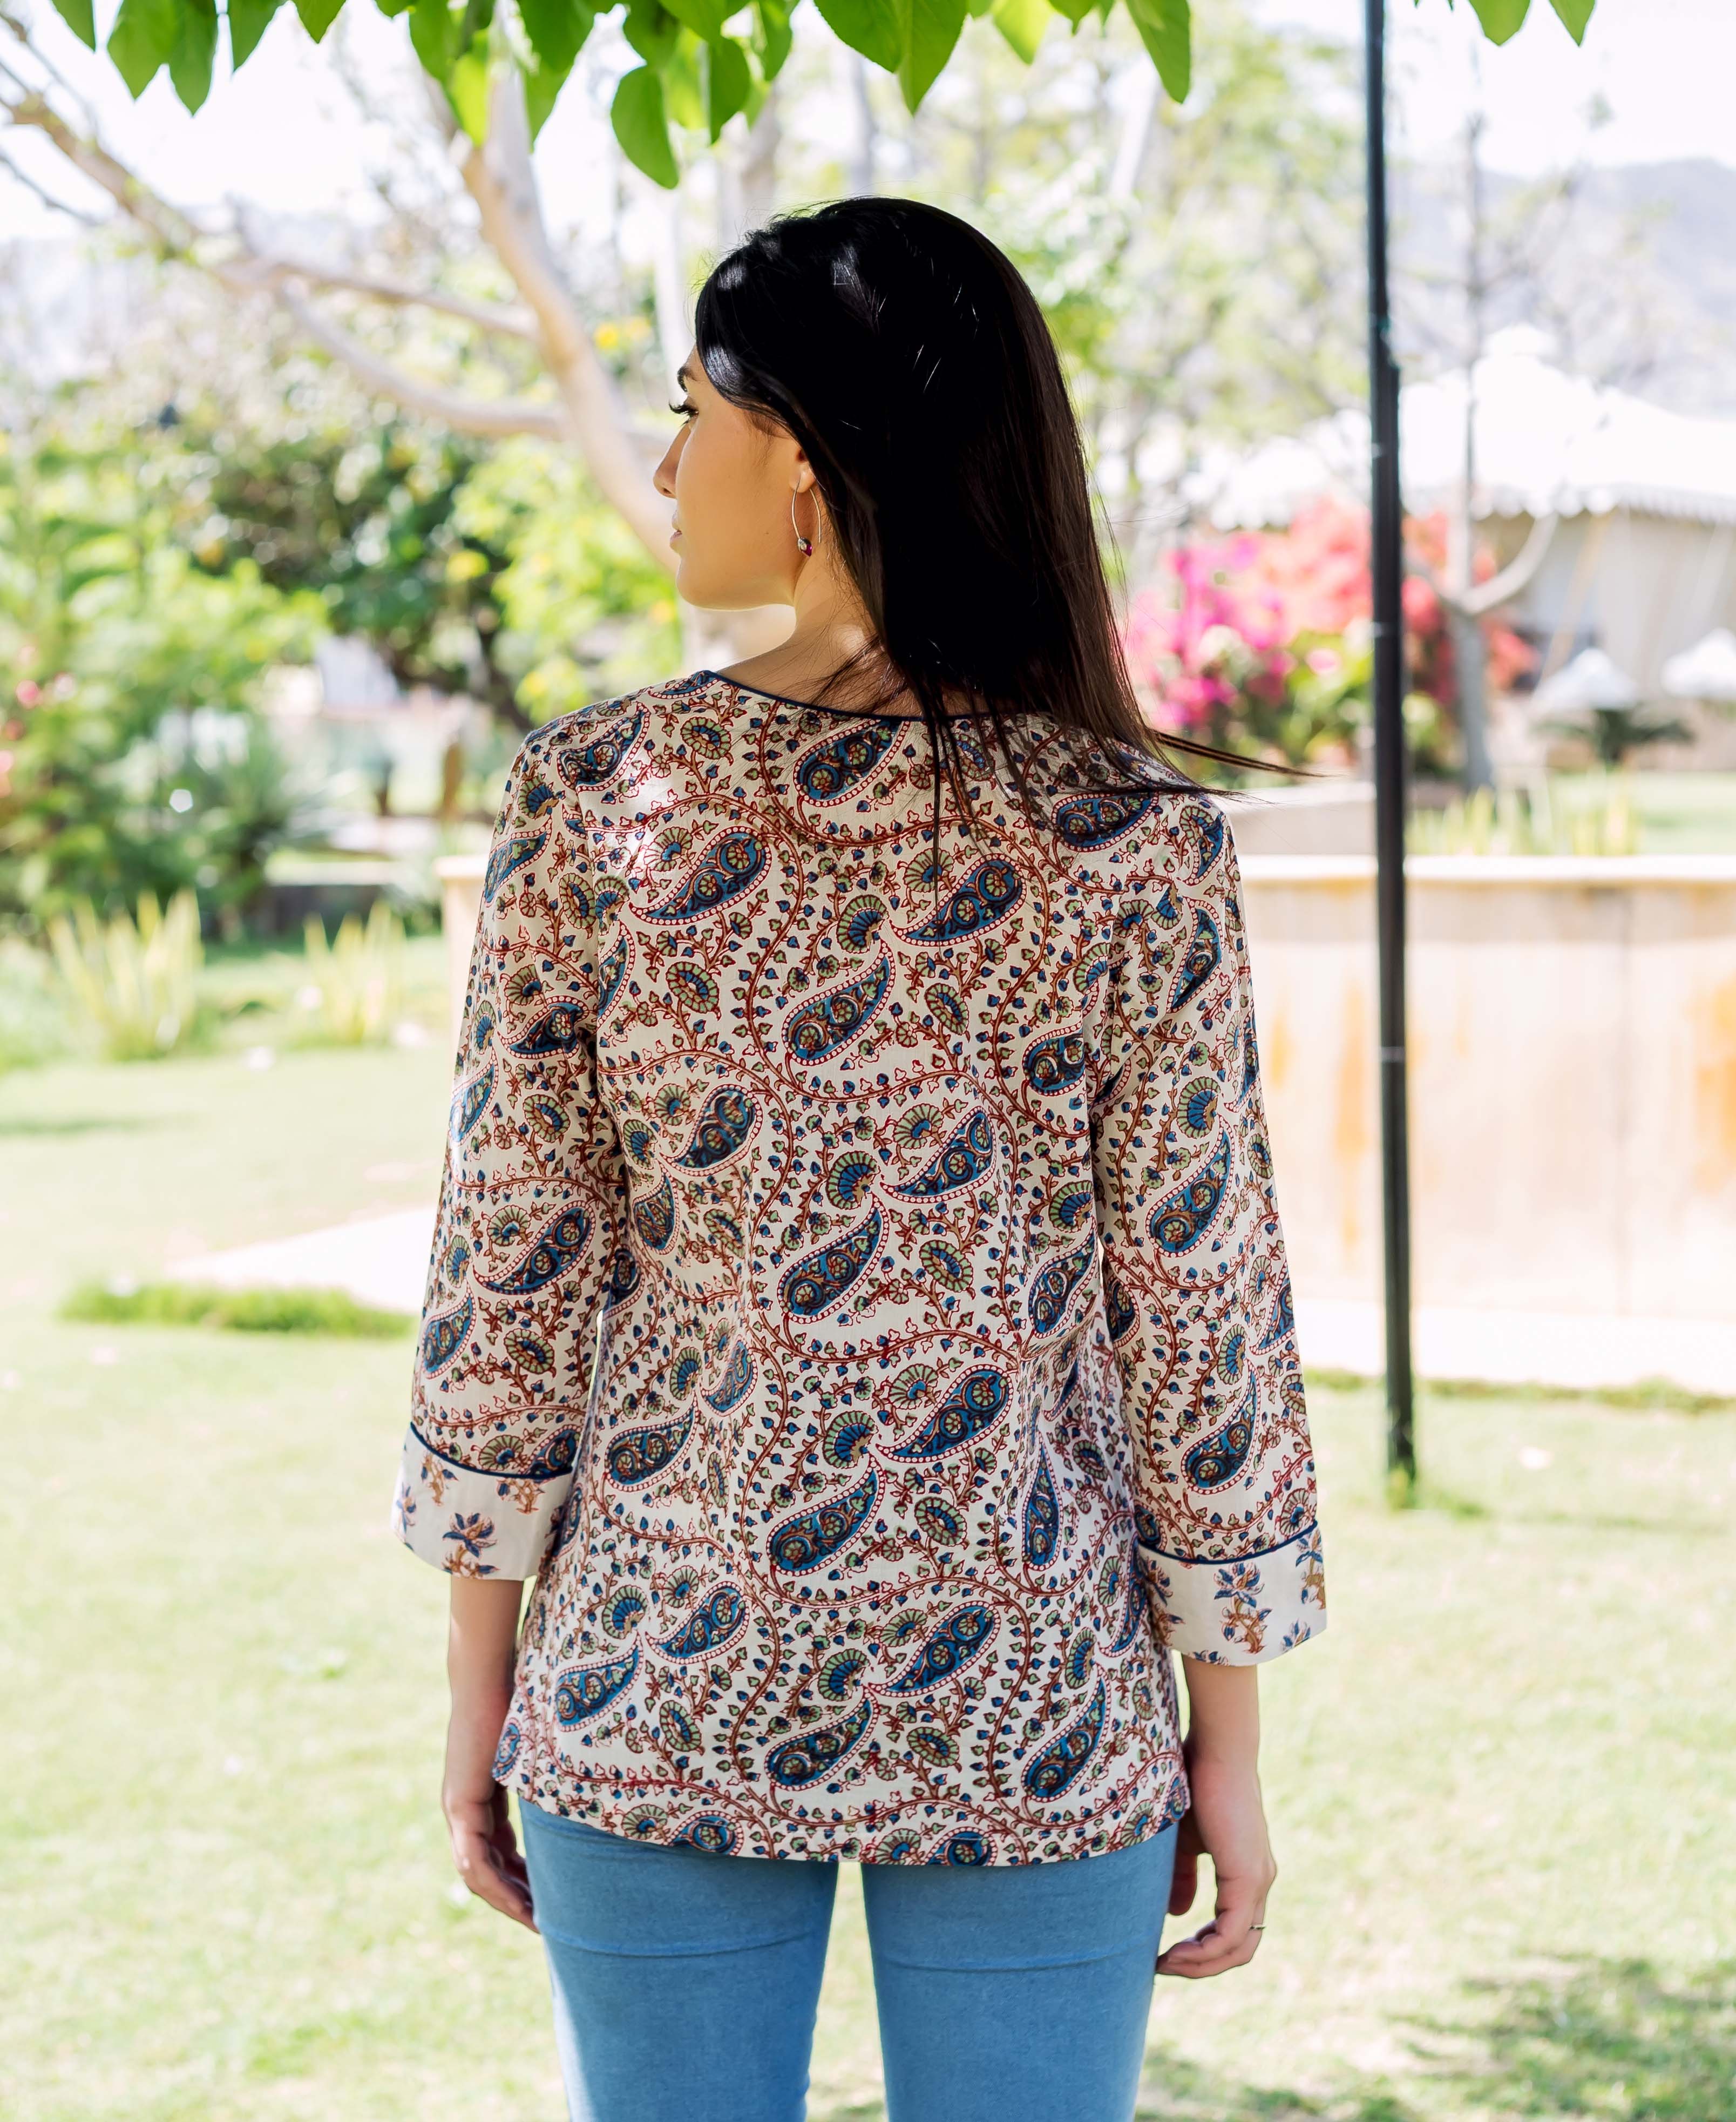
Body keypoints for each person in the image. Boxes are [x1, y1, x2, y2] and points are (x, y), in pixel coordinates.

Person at [392, 197, 1325, 2122]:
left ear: (804, 463)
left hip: (657, 1673)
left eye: (694, 412)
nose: (668, 467)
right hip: (1036, 1692)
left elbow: (511, 1285)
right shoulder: (1133, 840)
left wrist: (482, 1681)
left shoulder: (594, 799)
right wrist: (1225, 1740)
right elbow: (1201, 1319)